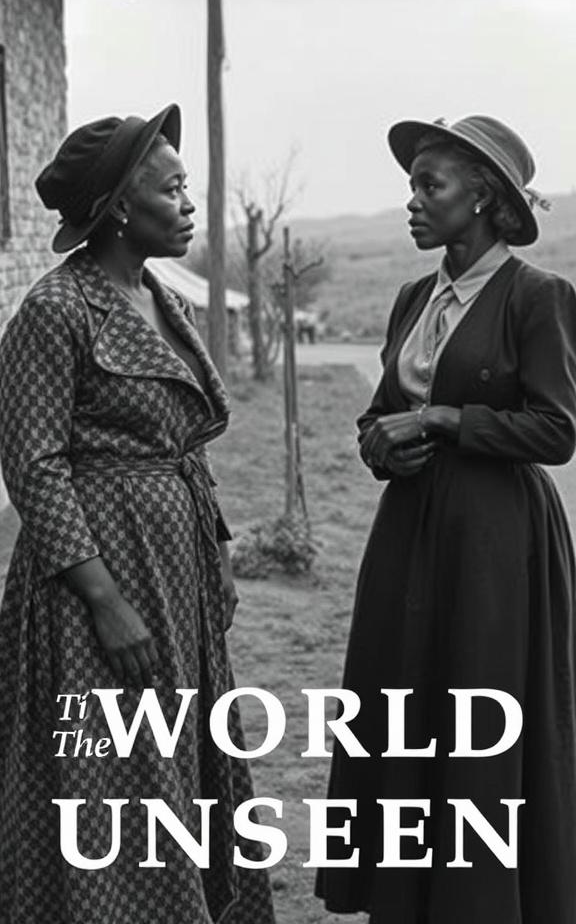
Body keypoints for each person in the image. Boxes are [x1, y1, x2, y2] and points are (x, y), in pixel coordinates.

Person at [0, 105, 276, 924]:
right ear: (120, 205)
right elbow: (32, 465)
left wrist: (215, 553)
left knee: (176, 760)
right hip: (93, 587)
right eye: (173, 187)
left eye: (188, 184)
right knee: (111, 777)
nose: (190, 203)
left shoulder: (157, 297)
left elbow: (182, 447)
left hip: (173, 568)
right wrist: (105, 601)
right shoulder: (57, 310)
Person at [316, 115, 576, 924]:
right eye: (411, 187)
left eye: (431, 186)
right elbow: (378, 415)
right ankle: (407, 895)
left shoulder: (538, 297)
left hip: (496, 541)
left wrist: (443, 422)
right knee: (405, 702)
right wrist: (380, 446)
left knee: (479, 707)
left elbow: (558, 429)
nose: (413, 203)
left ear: (485, 198)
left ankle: (483, 900)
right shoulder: (411, 298)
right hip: (408, 532)